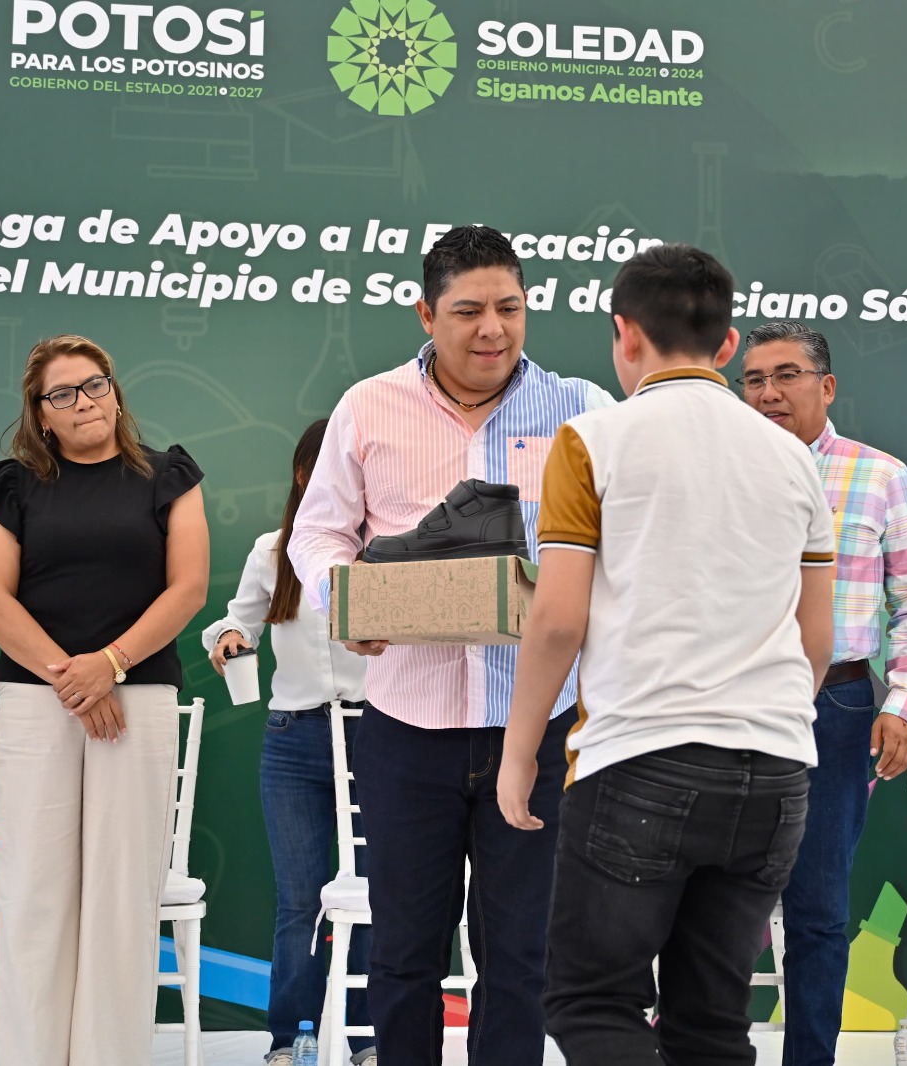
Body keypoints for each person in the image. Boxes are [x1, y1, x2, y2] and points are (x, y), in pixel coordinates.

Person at [499, 244, 836, 1064]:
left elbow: (555, 622)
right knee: (712, 1024)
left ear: (625, 334)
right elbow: (815, 637)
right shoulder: (797, 460)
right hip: (777, 768)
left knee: (590, 1001)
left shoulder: (593, 440)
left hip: (641, 759)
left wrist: (517, 755)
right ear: (727, 348)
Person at [287, 224, 614, 1066]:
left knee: (520, 957)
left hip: (538, 726)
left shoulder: (584, 409)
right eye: (468, 311)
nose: (492, 330)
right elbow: (318, 533)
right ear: (426, 312)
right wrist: (346, 599)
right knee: (403, 953)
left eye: (509, 308)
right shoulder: (369, 406)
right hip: (405, 722)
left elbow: (636, 532)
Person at [0, 334, 209, 1066]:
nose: (84, 402)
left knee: (119, 900)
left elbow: (189, 588)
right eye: (63, 393)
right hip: (40, 702)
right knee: (31, 894)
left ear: (115, 391)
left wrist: (110, 664)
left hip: (134, 702)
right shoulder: (14, 485)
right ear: (40, 414)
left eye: (95, 384)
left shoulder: (169, 476)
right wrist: (70, 678)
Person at [738, 319, 907, 1066]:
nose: (768, 392)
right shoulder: (721, 472)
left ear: (826, 386)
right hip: (732, 705)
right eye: (754, 379)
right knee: (720, 906)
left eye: (786, 375)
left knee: (820, 907)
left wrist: (903, 705)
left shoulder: (880, 477)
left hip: (840, 706)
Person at [201, 419, 376, 1066]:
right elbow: (233, 620)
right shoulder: (272, 550)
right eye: (329, 464)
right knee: (300, 898)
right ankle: (290, 1038)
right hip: (294, 736)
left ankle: (367, 1038)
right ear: (305, 473)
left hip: (378, 735)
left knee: (374, 895)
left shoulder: (388, 549)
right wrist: (224, 640)